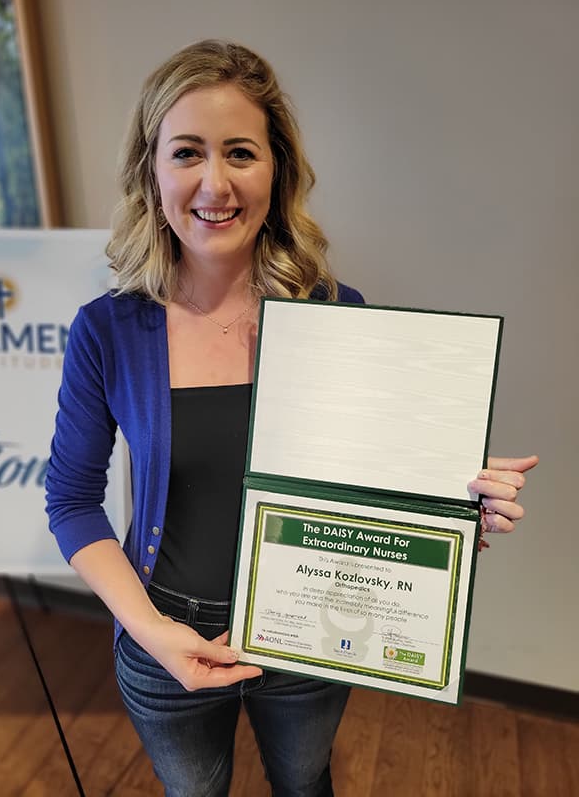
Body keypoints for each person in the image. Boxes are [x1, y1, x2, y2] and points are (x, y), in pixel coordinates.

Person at [45, 39, 538, 797]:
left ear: (276, 168)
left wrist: (457, 500)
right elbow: (72, 501)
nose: (215, 182)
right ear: (151, 171)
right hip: (164, 630)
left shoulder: (339, 315)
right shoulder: (107, 330)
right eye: (187, 153)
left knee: (305, 783)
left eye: (240, 152)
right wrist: (149, 631)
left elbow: (377, 498)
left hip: (312, 629)